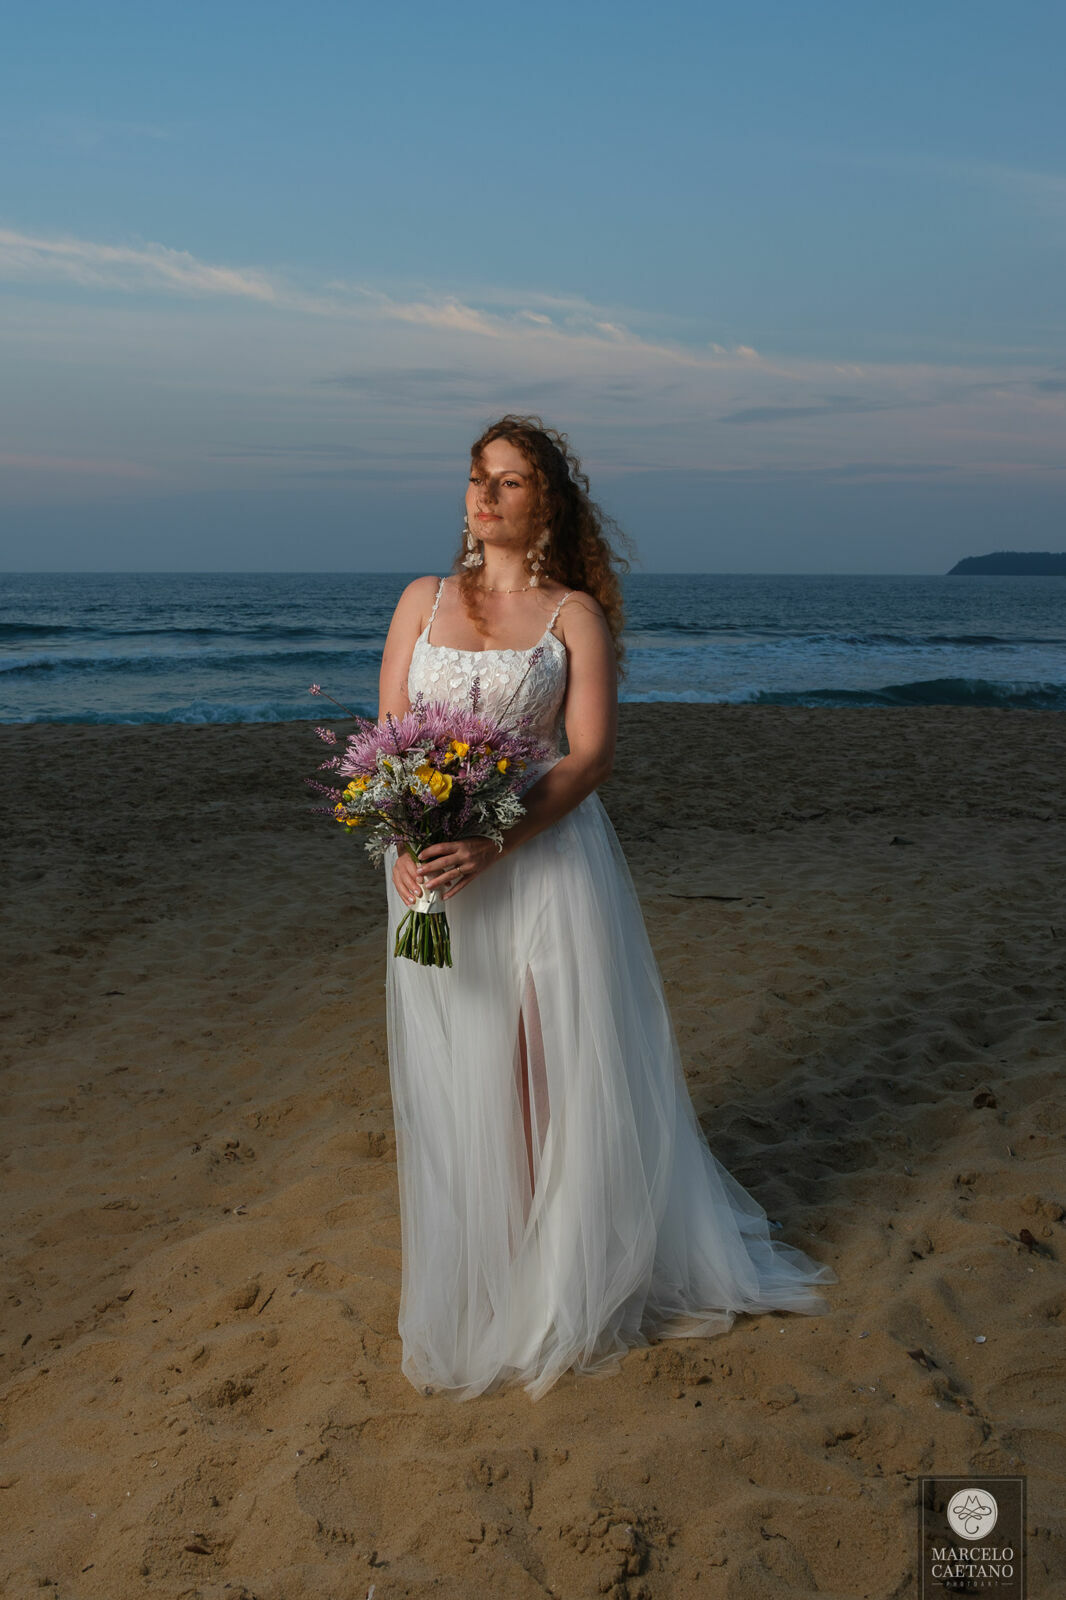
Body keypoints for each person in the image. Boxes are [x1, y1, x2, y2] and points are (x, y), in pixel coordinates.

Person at [376, 414, 836, 1402]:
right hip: (433, 868)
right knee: (463, 1069)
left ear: (545, 500)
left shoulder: (570, 614)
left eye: (506, 482)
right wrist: (401, 844)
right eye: (474, 479)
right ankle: (490, 1265)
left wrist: (494, 838)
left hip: (539, 862)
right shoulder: (419, 600)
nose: (483, 497)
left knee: (541, 1069)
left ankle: (555, 1283)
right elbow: (389, 740)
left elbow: (589, 758)